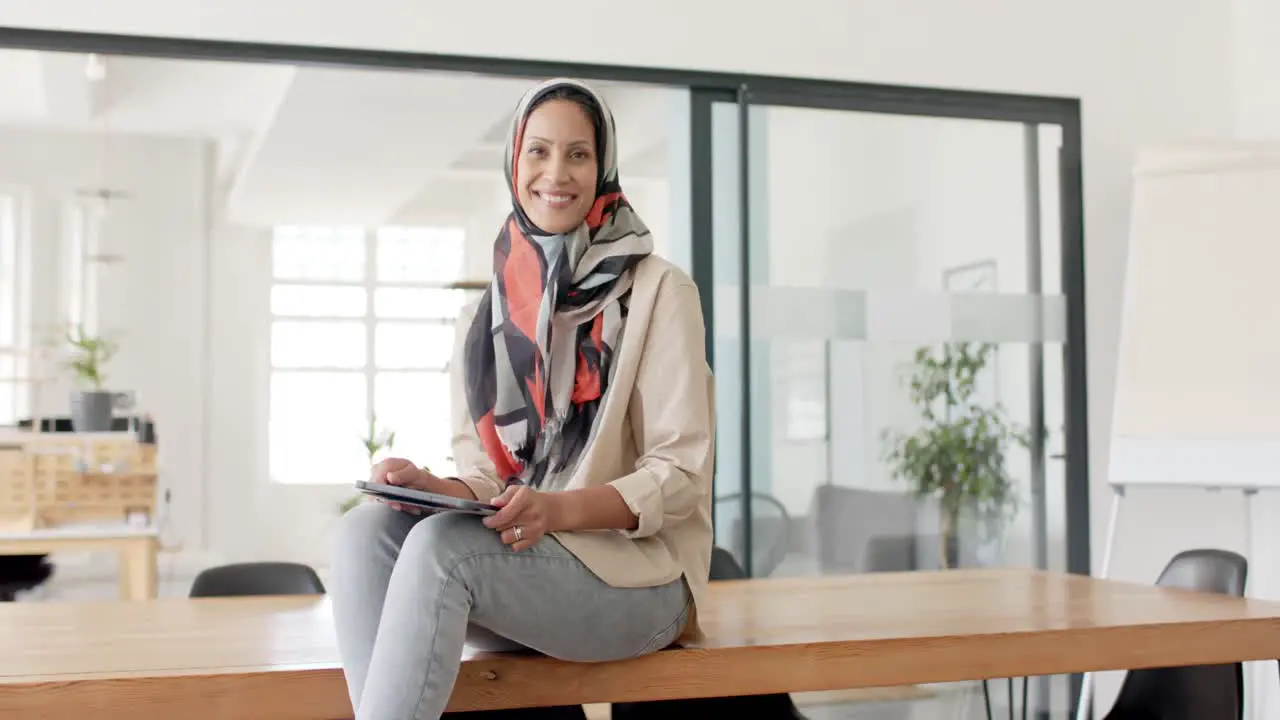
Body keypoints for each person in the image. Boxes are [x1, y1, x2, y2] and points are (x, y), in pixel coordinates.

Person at [329, 77, 715, 720]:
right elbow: (489, 480)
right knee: (365, 531)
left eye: (578, 154)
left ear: (604, 166)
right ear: (515, 163)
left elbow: (680, 478)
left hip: (642, 581)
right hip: (528, 567)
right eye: (538, 151)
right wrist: (432, 487)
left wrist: (556, 511)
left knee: (439, 554)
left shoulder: (658, 293)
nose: (555, 173)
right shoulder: (486, 318)